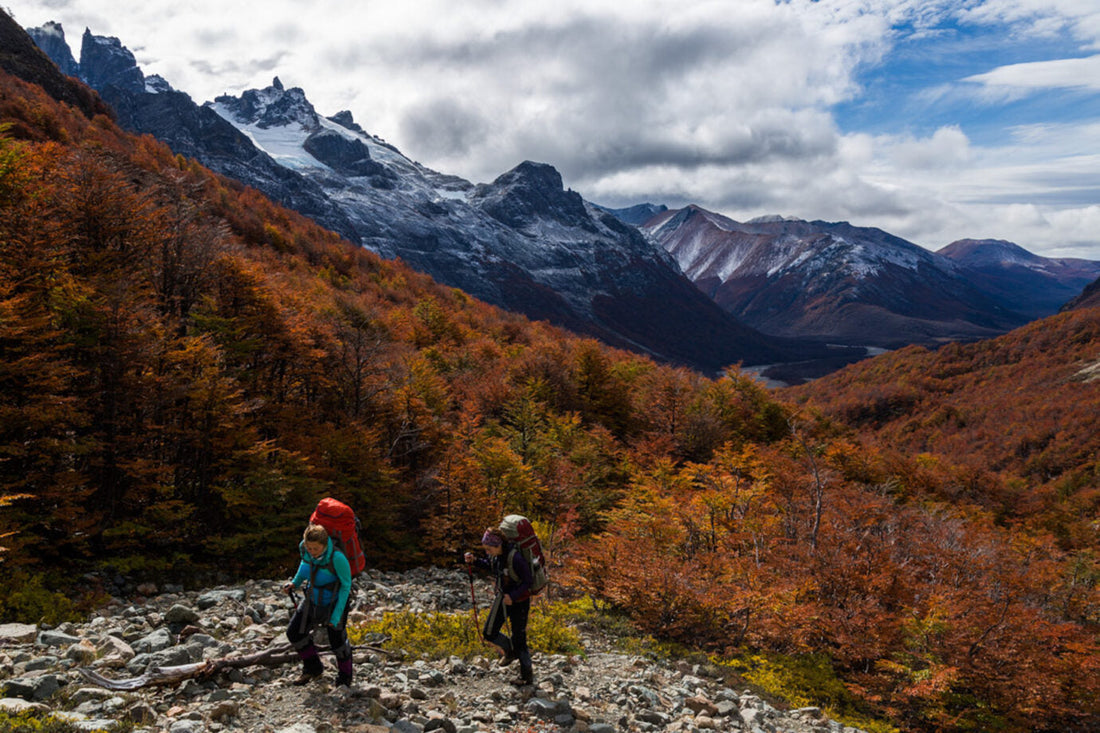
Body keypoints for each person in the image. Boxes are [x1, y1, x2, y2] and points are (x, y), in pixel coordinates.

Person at [283, 523, 354, 687]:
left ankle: (345, 678)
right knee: (294, 633)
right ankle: (313, 668)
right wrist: (294, 583)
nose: (311, 552)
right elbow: (303, 568)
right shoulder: (307, 552)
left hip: (334, 602)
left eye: (315, 548)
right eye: (309, 548)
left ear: (325, 544)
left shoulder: (337, 558)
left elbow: (345, 587)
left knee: (338, 642)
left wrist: (336, 615)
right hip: (312, 600)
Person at [465, 526, 534, 686]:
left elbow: (528, 581)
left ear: (498, 545)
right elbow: (491, 566)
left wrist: (514, 596)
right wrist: (474, 561)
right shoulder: (497, 556)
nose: (487, 552)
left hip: (520, 602)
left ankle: (526, 677)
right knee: (488, 632)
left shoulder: (515, 558)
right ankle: (510, 651)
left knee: (519, 638)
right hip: (502, 597)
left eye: (489, 549)